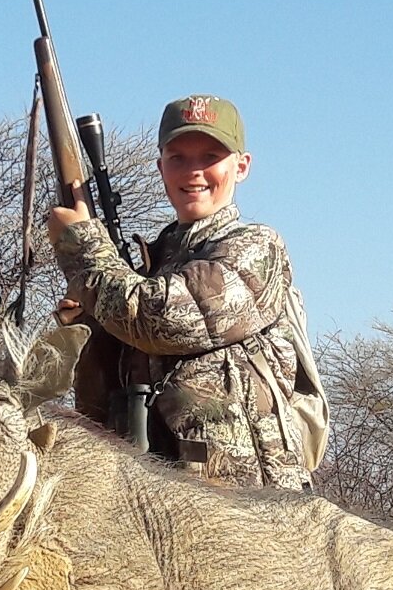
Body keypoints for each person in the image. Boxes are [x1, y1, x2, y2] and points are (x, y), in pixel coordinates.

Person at [47, 93, 312, 491]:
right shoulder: (153, 264)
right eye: (178, 158)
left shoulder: (257, 247)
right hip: (155, 496)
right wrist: (92, 325)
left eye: (210, 156)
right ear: (161, 168)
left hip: (250, 505)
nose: (194, 172)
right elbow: (95, 405)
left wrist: (83, 248)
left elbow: (162, 319)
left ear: (241, 167)